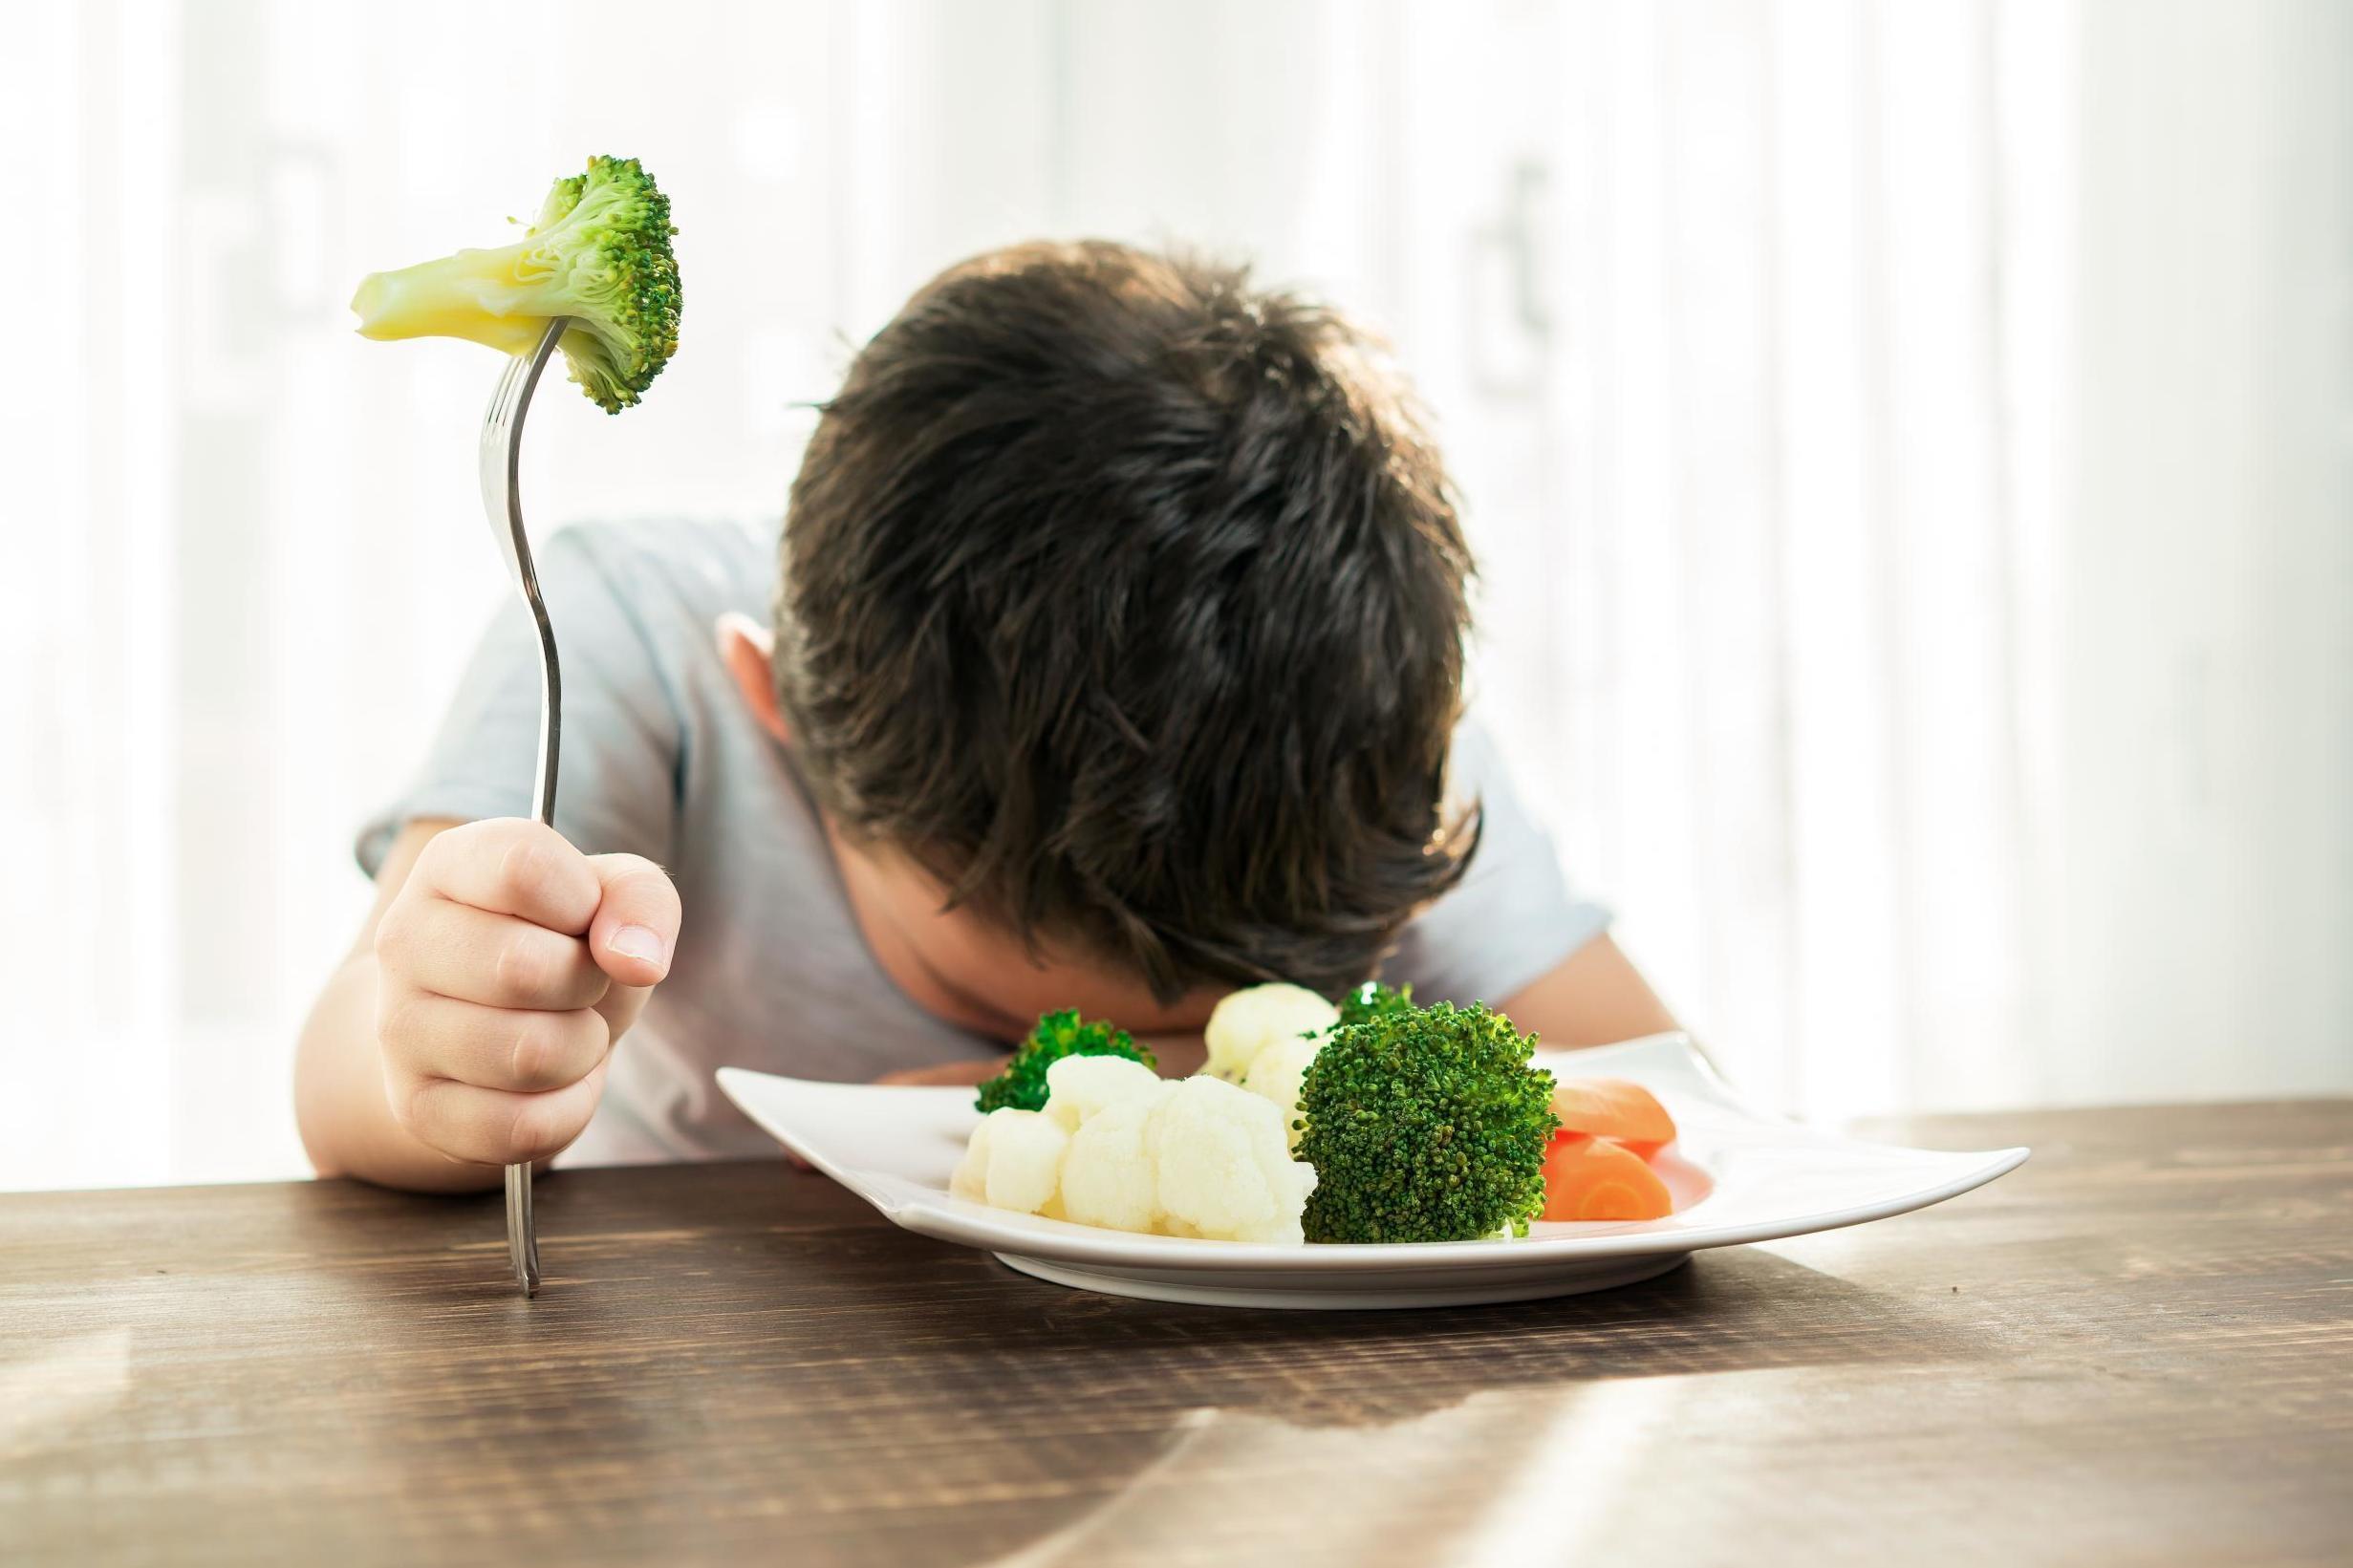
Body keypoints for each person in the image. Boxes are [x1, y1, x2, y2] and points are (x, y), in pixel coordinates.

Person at [293, 241, 1674, 1192]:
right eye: (989, 1011)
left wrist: (1162, 1088)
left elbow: (1655, 1101)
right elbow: (346, 1075)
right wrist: (435, 1052)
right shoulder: (628, 643)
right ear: (769, 698)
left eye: (1217, 1008)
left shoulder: (1351, 732)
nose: (1057, 1067)